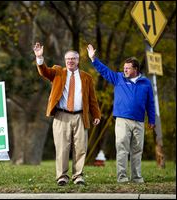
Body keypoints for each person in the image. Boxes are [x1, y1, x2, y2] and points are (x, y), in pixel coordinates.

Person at [33, 42, 101, 186]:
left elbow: (92, 99)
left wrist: (96, 115)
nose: (70, 61)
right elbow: (44, 71)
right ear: (65, 61)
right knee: (62, 147)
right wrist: (39, 58)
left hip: (80, 116)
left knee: (80, 147)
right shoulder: (58, 72)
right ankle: (62, 176)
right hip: (61, 115)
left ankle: (78, 176)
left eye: (73, 59)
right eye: (68, 59)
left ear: (78, 60)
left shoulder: (86, 77)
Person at [86, 44, 155, 183]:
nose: (124, 70)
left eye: (127, 68)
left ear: (135, 69)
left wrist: (151, 120)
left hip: (139, 121)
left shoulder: (146, 83)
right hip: (122, 120)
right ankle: (122, 177)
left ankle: (136, 177)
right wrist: (94, 59)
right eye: (124, 68)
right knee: (122, 148)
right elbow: (104, 71)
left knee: (137, 150)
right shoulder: (119, 78)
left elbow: (150, 103)